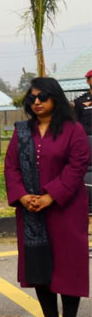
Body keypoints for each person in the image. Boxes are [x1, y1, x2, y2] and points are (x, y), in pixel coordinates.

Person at [5, 77, 90, 317]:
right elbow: (11, 167)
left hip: (66, 209)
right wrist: (22, 197)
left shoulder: (72, 130)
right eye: (32, 98)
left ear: (56, 98)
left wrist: (50, 196)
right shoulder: (22, 131)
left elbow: (77, 166)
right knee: (38, 263)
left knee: (68, 263)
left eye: (43, 97)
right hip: (31, 211)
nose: (37, 102)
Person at [71, 69, 92, 237]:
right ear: (88, 81)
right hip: (86, 144)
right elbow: (75, 124)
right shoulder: (80, 102)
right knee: (87, 178)